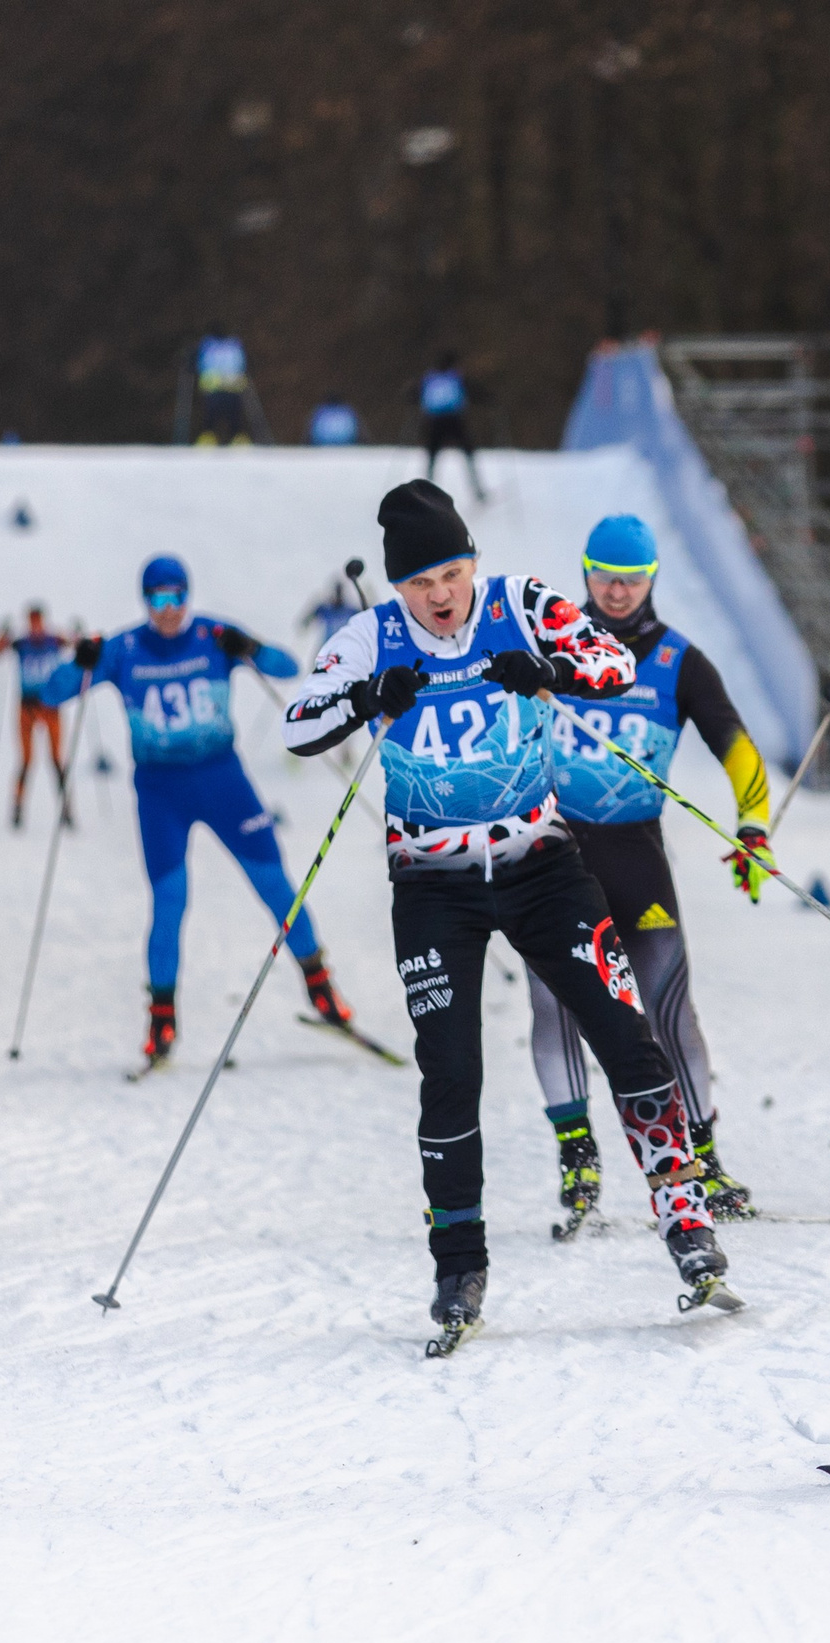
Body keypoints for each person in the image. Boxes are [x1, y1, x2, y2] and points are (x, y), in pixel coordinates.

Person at [280, 481, 734, 1350]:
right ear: (397, 587)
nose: (441, 596)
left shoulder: (520, 604)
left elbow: (616, 665)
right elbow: (298, 727)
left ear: (473, 565)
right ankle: (458, 1269)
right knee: (449, 1071)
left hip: (541, 866)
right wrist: (370, 696)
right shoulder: (369, 636)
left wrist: (551, 669)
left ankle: (686, 1220)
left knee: (624, 1031)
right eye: (421, 584)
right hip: (432, 884)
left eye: (452, 573)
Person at [525, 514, 771, 1229]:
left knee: (668, 1010)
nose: (618, 591)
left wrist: (752, 823)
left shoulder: (677, 661)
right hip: (555, 854)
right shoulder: (550, 649)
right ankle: (578, 1158)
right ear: (585, 573)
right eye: (605, 577)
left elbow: (739, 747)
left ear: (652, 578)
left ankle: (705, 1159)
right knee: (556, 1004)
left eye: (632, 579)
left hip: (637, 854)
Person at [36, 555, 355, 1069]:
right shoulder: (124, 649)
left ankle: (321, 989)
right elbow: (51, 694)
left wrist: (247, 648)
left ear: (188, 595)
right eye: (158, 599)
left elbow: (288, 667)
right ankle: (161, 1020)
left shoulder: (212, 635)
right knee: (169, 903)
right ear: (146, 602)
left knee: (276, 886)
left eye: (177, 596)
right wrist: (81, 660)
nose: (169, 609)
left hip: (222, 780)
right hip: (161, 791)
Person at [0, 603, 74, 830]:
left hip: (50, 707)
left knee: (57, 759)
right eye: (32, 621)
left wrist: (78, 633)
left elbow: (75, 643)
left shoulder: (53, 640)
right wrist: (2, 633)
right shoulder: (22, 643)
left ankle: (66, 810)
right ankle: (17, 810)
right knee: (27, 761)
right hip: (27, 707)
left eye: (38, 621)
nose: (35, 626)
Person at [412, 352, 485, 499]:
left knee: (432, 456)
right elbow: (474, 392)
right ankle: (478, 490)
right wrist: (490, 400)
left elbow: (415, 393)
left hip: (435, 421)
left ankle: (427, 491)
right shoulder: (456, 377)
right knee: (468, 453)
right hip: (454, 420)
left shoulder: (429, 378)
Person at [195, 326, 254, 446]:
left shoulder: (208, 345)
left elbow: (200, 364)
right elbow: (242, 364)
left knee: (213, 415)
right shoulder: (234, 345)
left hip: (214, 388)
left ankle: (209, 438)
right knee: (233, 416)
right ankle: (237, 438)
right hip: (232, 387)